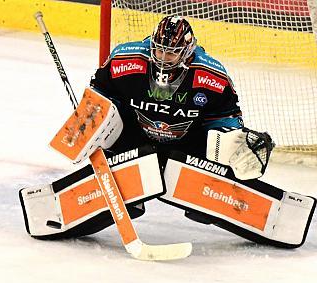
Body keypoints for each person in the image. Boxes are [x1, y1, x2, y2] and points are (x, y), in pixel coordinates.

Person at [22, 15, 314, 248]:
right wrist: (90, 119)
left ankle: (212, 200)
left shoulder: (211, 75)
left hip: (187, 144)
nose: (163, 56)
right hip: (133, 137)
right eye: (159, 49)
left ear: (187, 51)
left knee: (201, 194)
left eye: (171, 52)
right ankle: (124, 198)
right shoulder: (127, 60)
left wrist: (232, 142)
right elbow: (101, 92)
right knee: (129, 193)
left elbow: (226, 117)